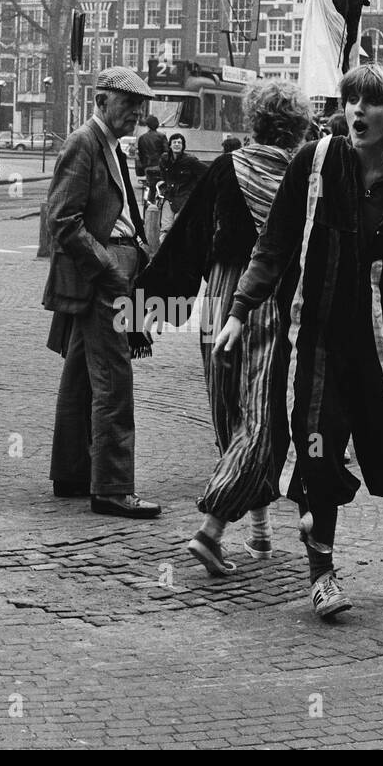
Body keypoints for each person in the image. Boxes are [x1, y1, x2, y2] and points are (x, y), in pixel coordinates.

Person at [212, 63, 383, 620]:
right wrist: (239, 312)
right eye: (352, 98)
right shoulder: (315, 161)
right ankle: (323, 576)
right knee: (318, 455)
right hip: (320, 342)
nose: (358, 110)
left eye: (371, 102)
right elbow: (275, 244)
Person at [137, 79, 312, 575]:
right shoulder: (305, 175)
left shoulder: (224, 169)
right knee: (260, 419)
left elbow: (185, 244)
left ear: (252, 122)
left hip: (218, 298)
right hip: (268, 301)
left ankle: (258, 534)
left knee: (229, 415)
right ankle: (212, 531)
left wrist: (145, 313)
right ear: (299, 127)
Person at [43, 66, 162, 519]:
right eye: (128, 103)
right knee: (113, 379)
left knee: (80, 375)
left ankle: (72, 473)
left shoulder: (108, 146)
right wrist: (109, 268)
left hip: (109, 272)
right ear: (101, 101)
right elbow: (62, 220)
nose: (137, 112)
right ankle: (112, 487)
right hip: (103, 278)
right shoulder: (84, 142)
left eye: (140, 105)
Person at [158, 133, 207, 236]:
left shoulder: (190, 160)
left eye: (179, 142)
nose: (177, 144)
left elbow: (205, 173)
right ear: (170, 145)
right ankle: (164, 251)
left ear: (183, 145)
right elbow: (163, 175)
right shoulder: (164, 159)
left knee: (180, 228)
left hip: (185, 198)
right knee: (165, 229)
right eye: (174, 142)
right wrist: (162, 184)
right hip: (169, 198)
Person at [136, 114, 170, 202]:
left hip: (148, 167)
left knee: (151, 187)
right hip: (160, 167)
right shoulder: (162, 136)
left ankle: (149, 204)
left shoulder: (142, 138)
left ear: (147, 125)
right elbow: (167, 152)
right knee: (162, 186)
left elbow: (141, 154)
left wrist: (144, 166)